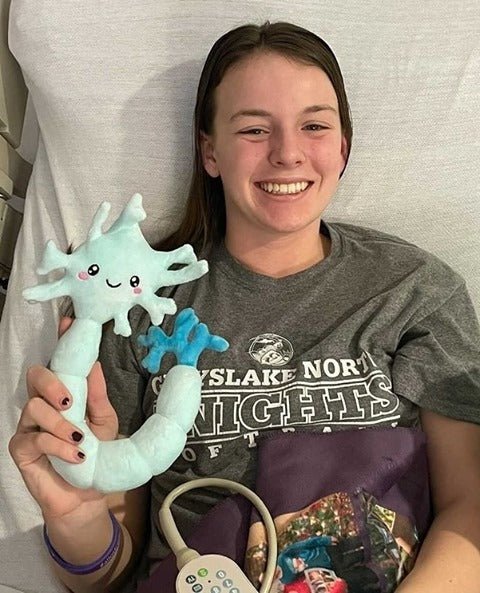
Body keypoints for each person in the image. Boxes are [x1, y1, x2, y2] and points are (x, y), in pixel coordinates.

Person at [8, 21, 480, 593]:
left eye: (314, 126)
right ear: (210, 150)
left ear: (343, 148)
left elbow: (469, 508)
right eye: (255, 129)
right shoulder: (141, 307)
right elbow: (108, 574)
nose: (287, 153)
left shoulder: (415, 292)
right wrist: (76, 517)